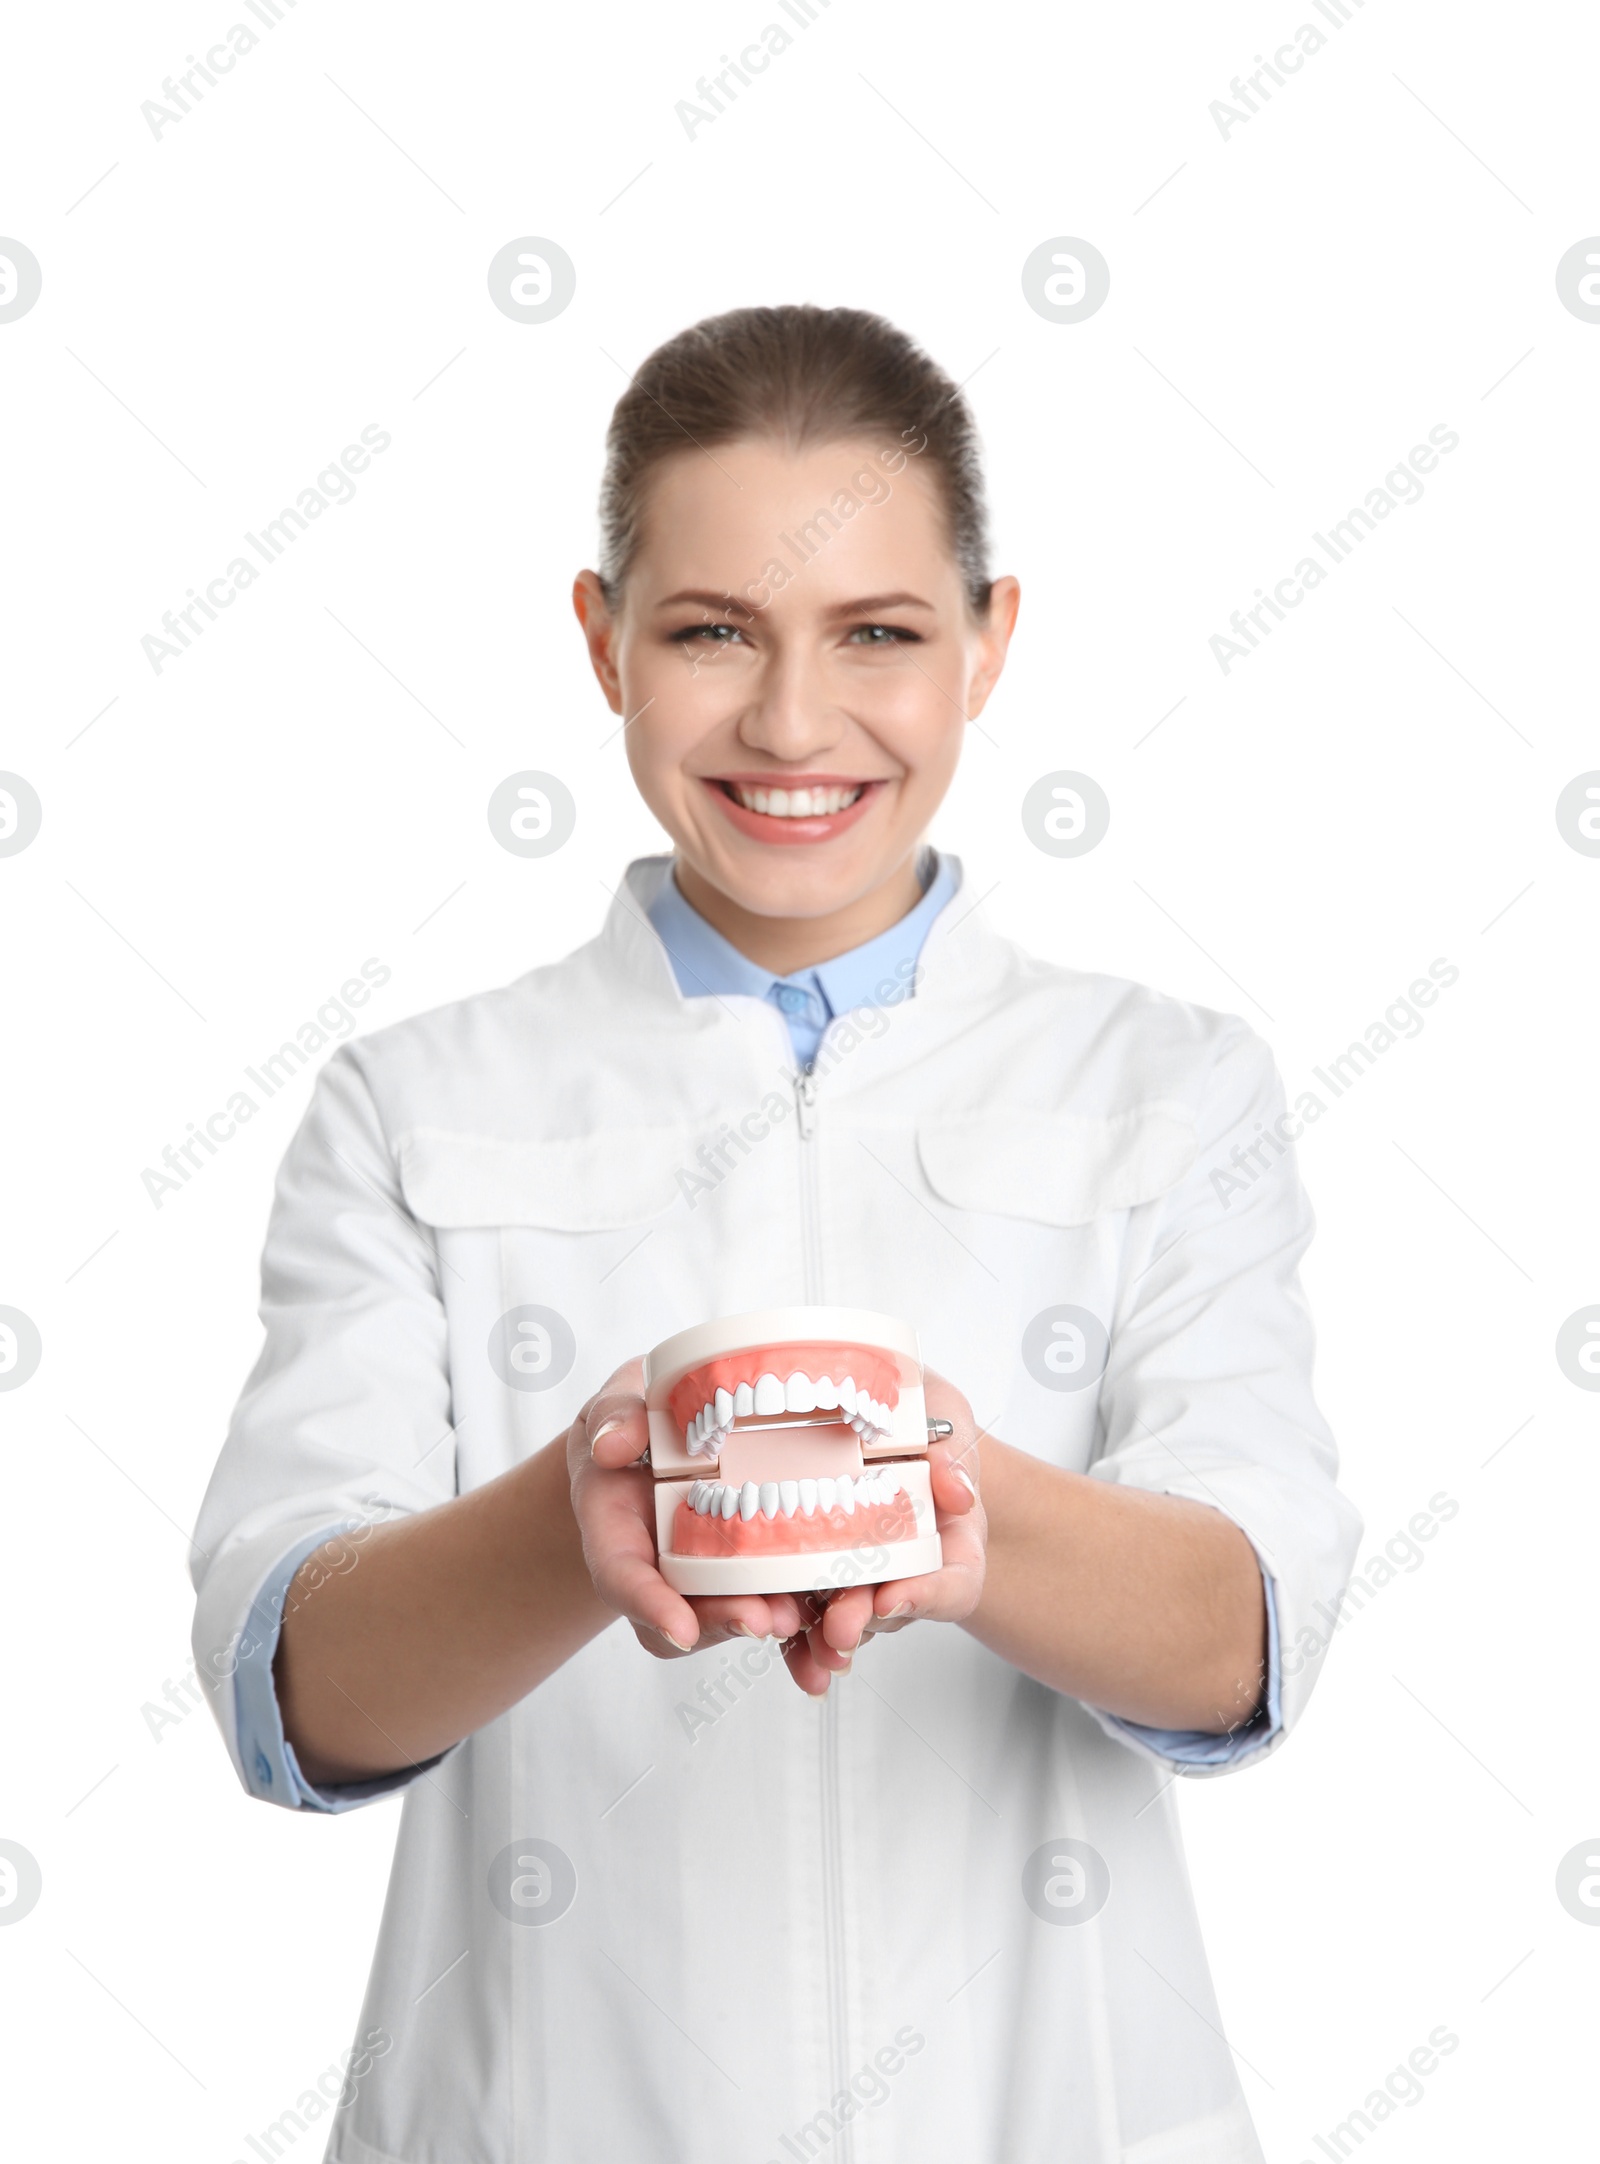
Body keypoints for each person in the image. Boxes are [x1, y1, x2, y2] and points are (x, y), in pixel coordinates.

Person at [192, 304, 1361, 2164]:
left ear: (989, 646)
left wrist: (957, 1500)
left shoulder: (1172, 1085)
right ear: (603, 643)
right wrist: (578, 1523)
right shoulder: (415, 1102)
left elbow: (1249, 1638)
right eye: (713, 630)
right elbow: (295, 1691)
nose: (794, 724)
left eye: (880, 634)